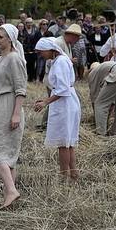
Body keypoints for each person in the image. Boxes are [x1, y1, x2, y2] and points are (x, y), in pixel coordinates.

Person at [0, 24, 27, 209]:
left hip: (9, 106)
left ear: (10, 39)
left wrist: (16, 113)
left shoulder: (14, 59)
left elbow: (20, 89)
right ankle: (9, 196)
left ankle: (11, 190)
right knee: (6, 152)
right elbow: (0, 83)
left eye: (1, 37)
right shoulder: (1, 59)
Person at [33, 38, 81, 180]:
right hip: (67, 102)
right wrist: (45, 100)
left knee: (63, 143)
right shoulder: (61, 60)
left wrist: (46, 102)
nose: (40, 55)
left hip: (65, 104)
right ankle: (73, 173)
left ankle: (63, 176)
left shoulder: (60, 62)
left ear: (50, 49)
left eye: (41, 52)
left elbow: (62, 89)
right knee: (68, 142)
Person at [88, 61, 116, 136]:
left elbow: (94, 100)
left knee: (99, 104)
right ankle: (114, 132)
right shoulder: (105, 66)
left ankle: (101, 134)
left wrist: (97, 118)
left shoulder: (92, 74)